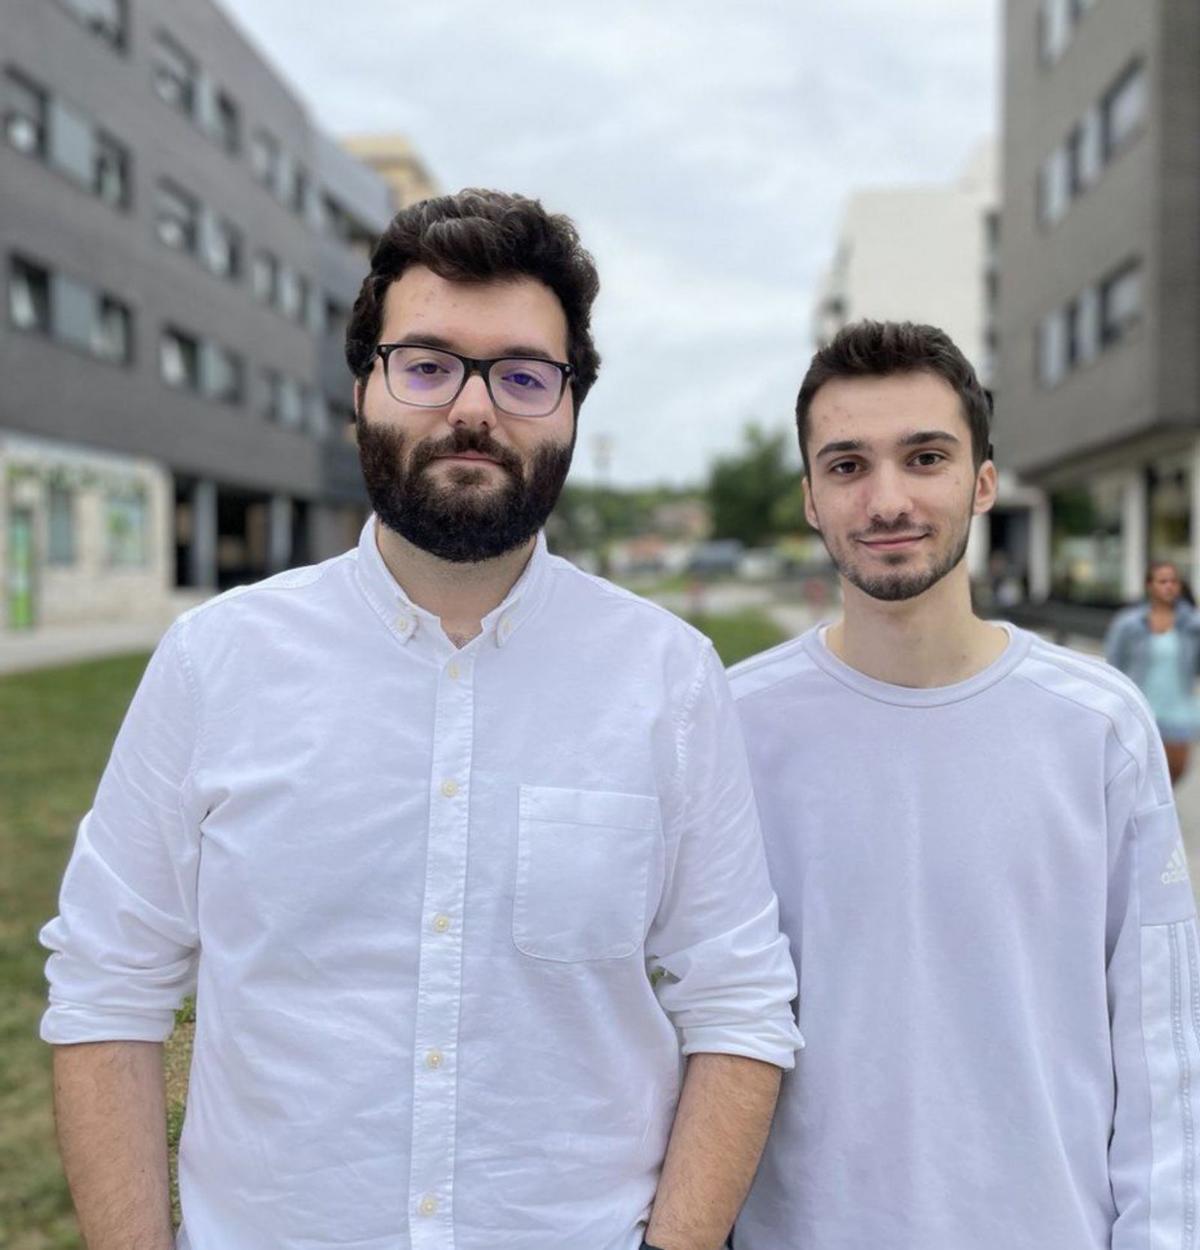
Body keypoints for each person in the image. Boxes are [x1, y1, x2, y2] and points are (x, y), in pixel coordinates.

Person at [40, 189, 801, 1250]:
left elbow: (737, 998)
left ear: (571, 406)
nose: (475, 409)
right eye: (429, 363)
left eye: (525, 375)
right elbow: (106, 986)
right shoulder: (217, 662)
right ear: (364, 385)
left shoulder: (668, 677)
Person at [729, 320, 1199, 1250]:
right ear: (812, 499)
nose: (888, 499)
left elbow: (1162, 1048)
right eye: (848, 465)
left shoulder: (1097, 725)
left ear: (983, 482)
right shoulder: (733, 727)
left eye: (927, 456)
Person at [1106, 560, 1200, 784]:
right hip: (1140, 710)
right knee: (1142, 775)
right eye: (1162, 581)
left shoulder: (1192, 624)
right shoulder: (1127, 623)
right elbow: (1113, 665)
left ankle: (1163, 810)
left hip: (1179, 710)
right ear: (1149, 585)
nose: (1169, 586)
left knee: (1176, 770)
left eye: (1174, 581)